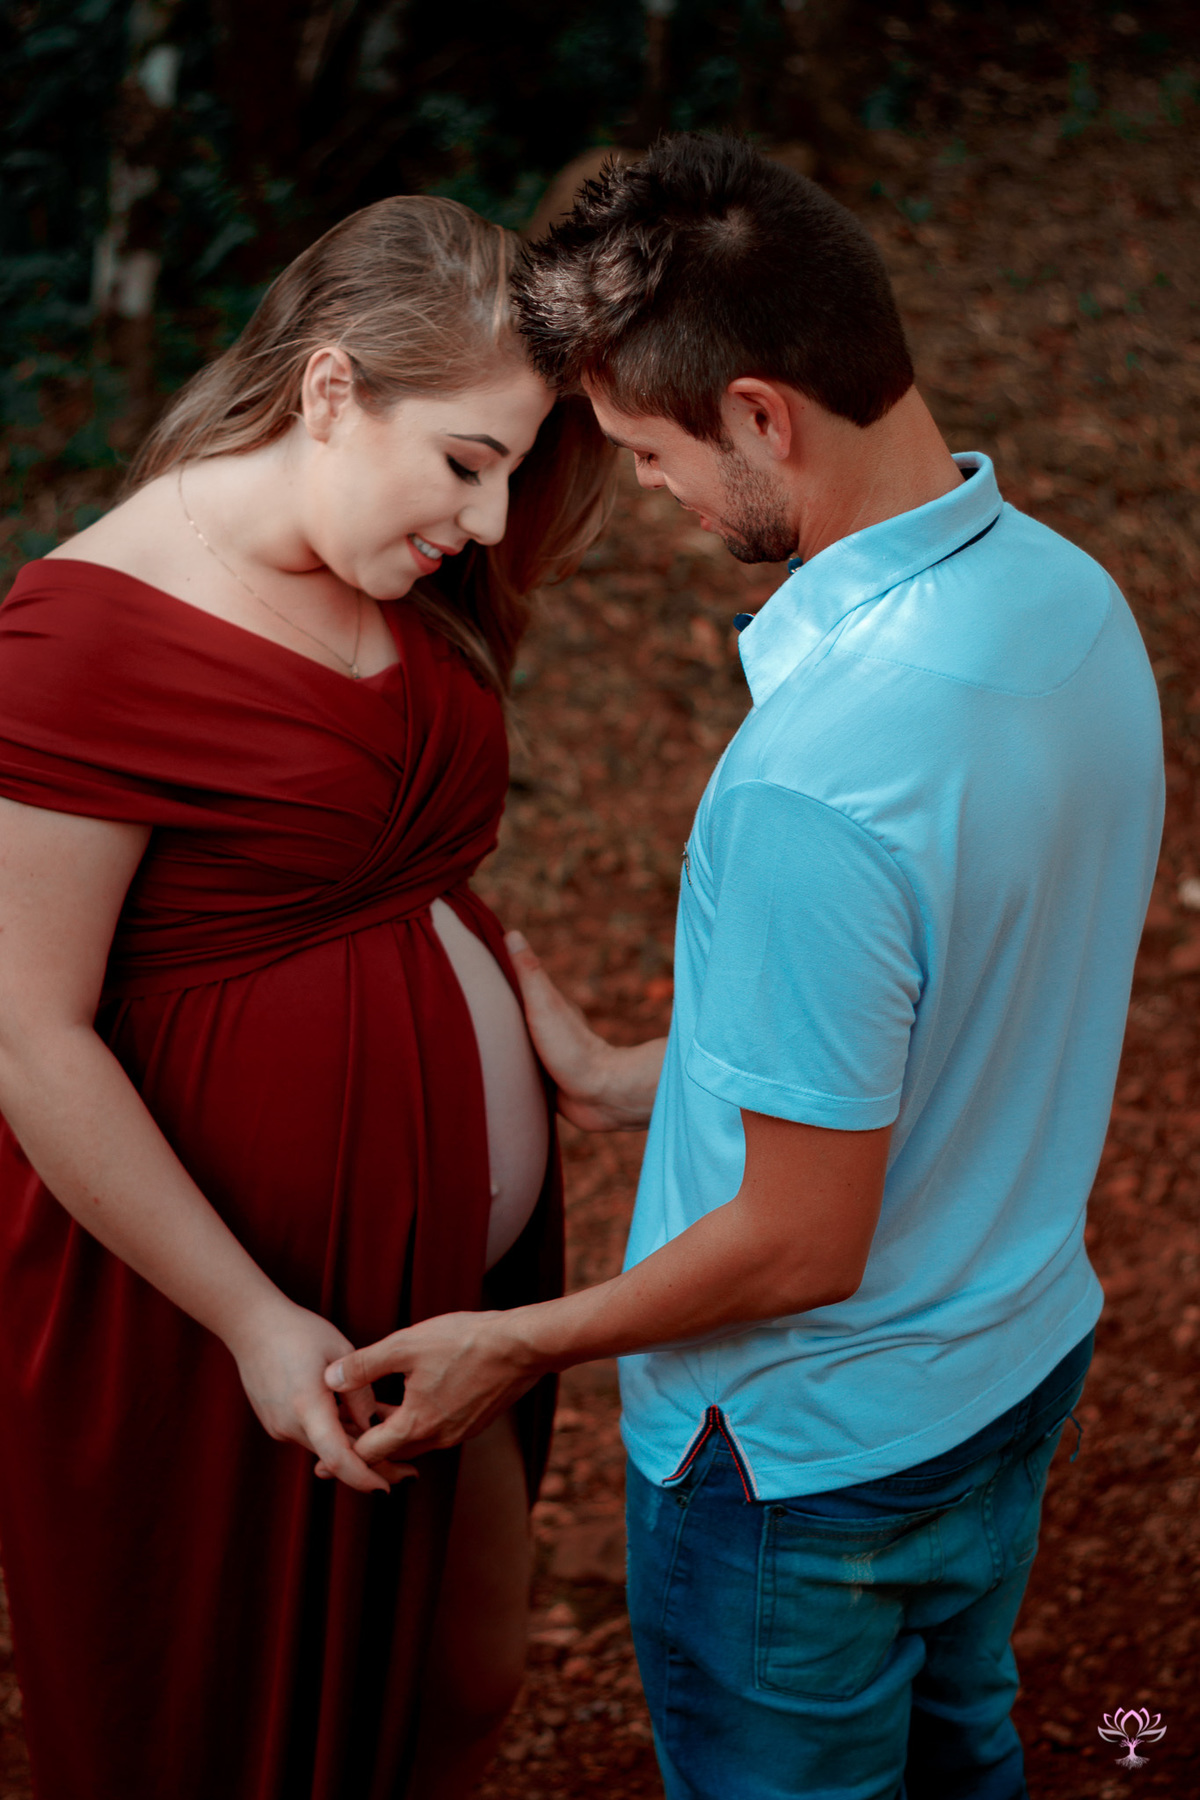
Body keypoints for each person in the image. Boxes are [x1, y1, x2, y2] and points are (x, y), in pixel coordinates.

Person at [326, 138, 1165, 1799]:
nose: (646, 489)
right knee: (968, 1752)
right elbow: (968, 989)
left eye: (647, 449)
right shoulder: (1074, 604)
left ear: (764, 415)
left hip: (804, 1462)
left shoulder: (816, 779)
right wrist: (643, 1075)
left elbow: (800, 1247)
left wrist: (526, 1343)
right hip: (1011, 1364)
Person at [0, 195, 613, 1800]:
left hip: (447, 1274)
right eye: (468, 463)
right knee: (231, 1733)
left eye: (514, 471)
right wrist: (253, 1319)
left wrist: (509, 992)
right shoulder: (78, 639)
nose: (490, 526)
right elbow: (25, 1031)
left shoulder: (401, 579)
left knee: (466, 1672)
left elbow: (373, 865)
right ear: (332, 389)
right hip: (219, 1303)